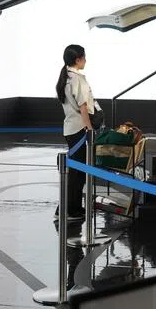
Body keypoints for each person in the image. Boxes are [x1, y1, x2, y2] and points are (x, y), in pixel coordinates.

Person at [55, 44, 100, 221]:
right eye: (84, 57)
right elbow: (83, 107)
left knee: (76, 172)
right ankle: (69, 210)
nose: (86, 60)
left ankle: (69, 208)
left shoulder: (65, 77)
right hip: (80, 129)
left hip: (70, 128)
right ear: (77, 59)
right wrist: (90, 129)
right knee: (77, 173)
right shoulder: (77, 79)